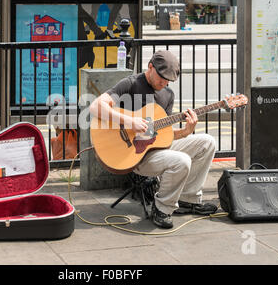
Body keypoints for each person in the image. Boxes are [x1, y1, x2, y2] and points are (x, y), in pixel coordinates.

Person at [89, 50, 217, 229]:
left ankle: (188, 198)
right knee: (182, 161)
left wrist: (186, 132)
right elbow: (95, 107)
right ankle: (162, 209)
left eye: (168, 81)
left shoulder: (168, 95)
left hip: (156, 150)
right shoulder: (131, 84)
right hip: (137, 157)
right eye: (162, 78)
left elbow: (163, 136)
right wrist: (129, 121)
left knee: (208, 142)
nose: (164, 83)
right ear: (150, 67)